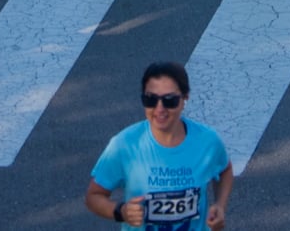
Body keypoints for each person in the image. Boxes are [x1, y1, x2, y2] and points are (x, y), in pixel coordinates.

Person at [88, 60, 234, 227]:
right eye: (150, 99)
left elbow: (225, 170)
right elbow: (94, 196)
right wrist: (121, 211)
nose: (159, 109)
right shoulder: (125, 145)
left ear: (185, 98)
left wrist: (220, 205)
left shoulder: (207, 141)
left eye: (169, 100)